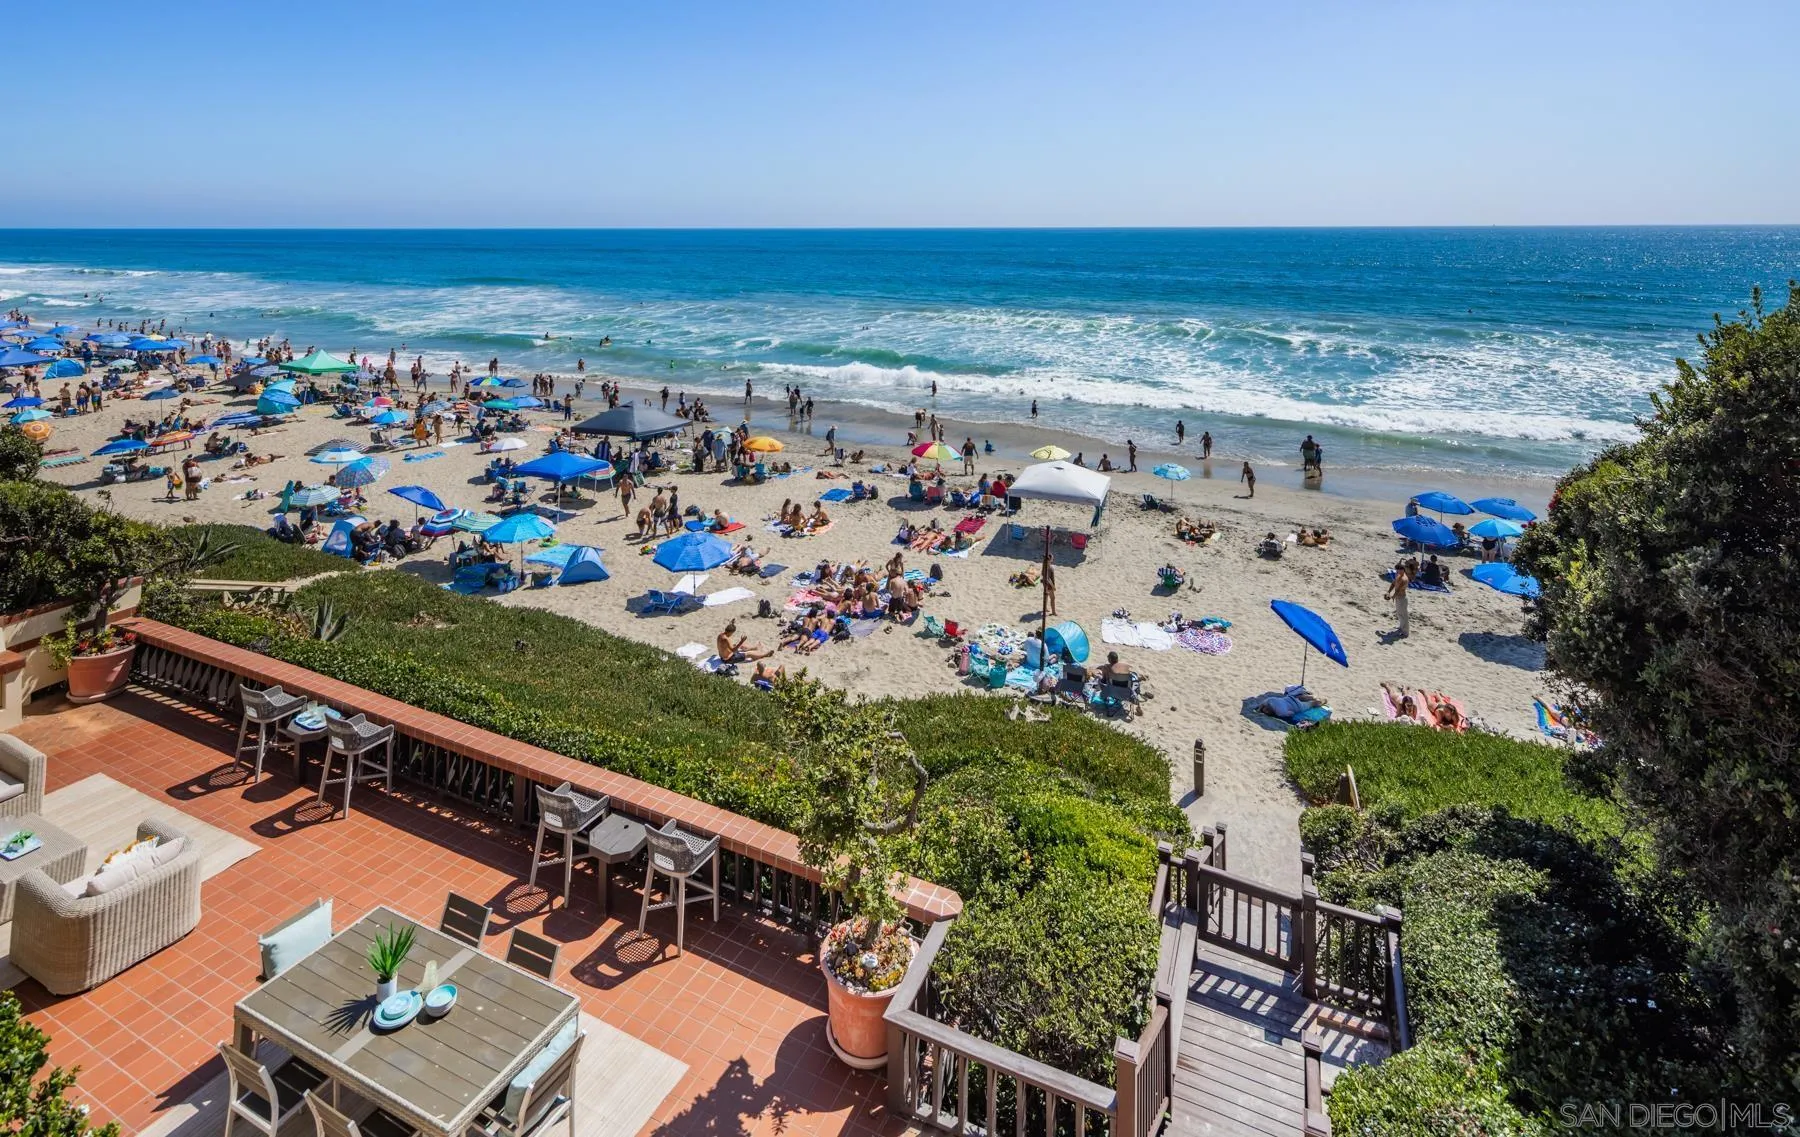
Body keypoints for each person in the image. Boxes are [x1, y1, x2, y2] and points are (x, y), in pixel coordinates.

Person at [1386, 560, 1412, 638]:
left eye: (1399, 570)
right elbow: (1393, 583)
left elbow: (1398, 589)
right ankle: (1401, 627)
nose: (1398, 571)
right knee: (1399, 614)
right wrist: (1388, 592)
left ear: (1403, 570)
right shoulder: (1398, 575)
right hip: (1398, 597)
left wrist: (1392, 596)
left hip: (1402, 598)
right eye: (1397, 570)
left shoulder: (1404, 579)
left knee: (1404, 615)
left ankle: (1406, 632)